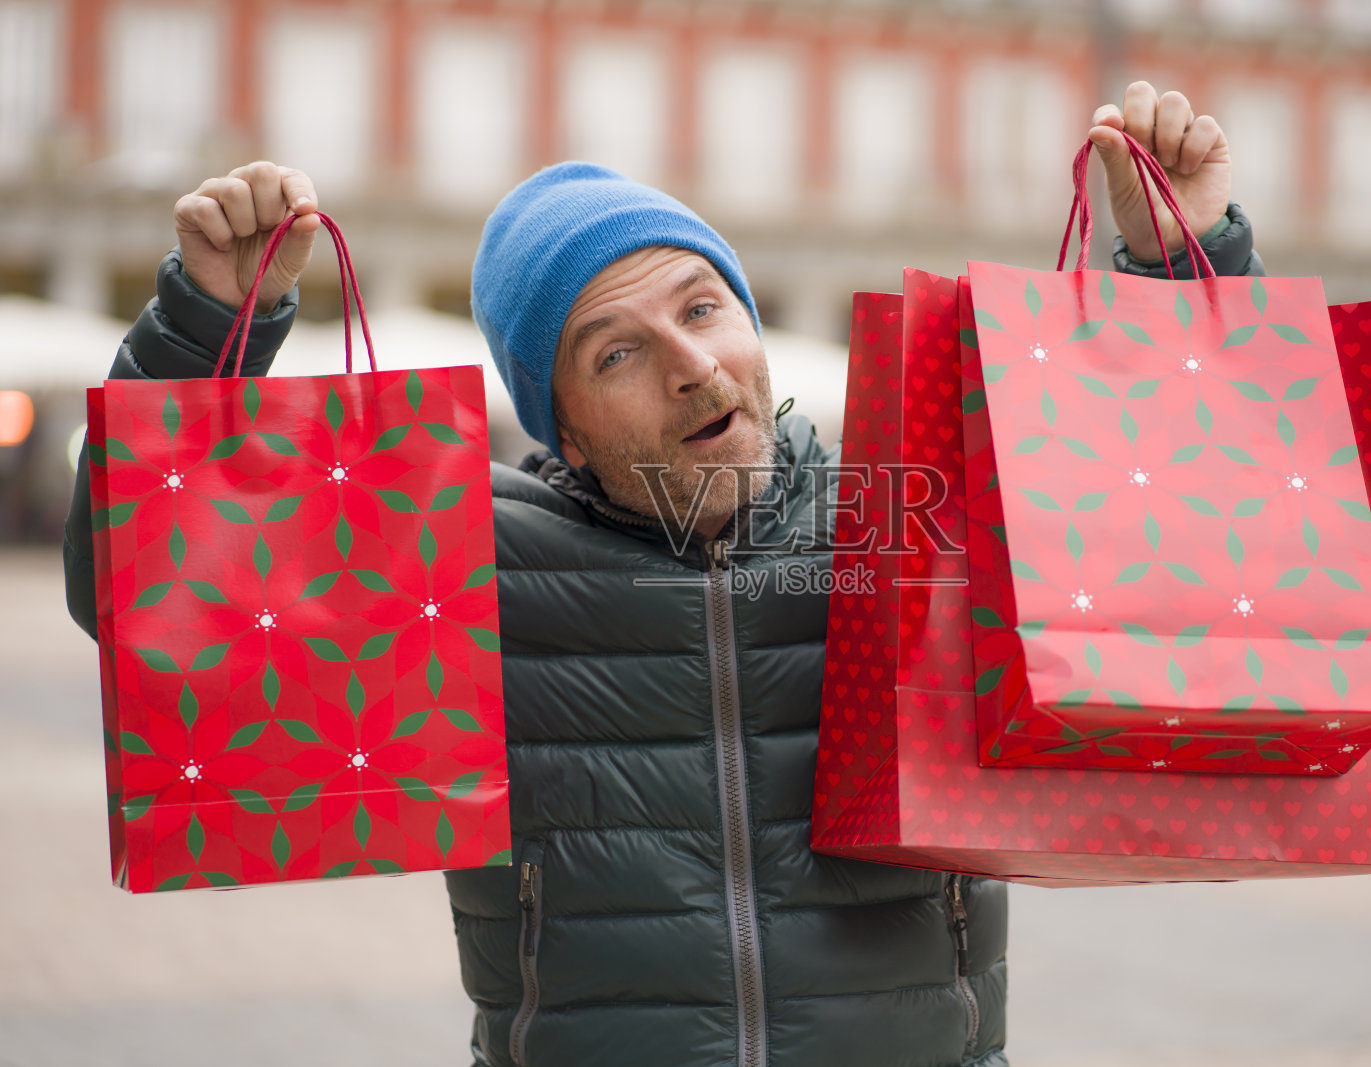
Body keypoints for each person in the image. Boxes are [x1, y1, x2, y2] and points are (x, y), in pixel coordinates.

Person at [62, 82, 1264, 1067]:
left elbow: (1171, 540)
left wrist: (1182, 263)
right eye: (620, 349)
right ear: (563, 424)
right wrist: (204, 330)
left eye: (705, 306)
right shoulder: (463, 562)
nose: (693, 367)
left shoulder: (910, 518)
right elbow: (153, 601)